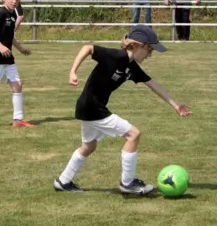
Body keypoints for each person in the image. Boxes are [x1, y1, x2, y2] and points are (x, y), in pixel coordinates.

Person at [53, 25, 191, 194]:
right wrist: (72, 72)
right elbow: (87, 48)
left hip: (88, 107)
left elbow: (152, 84)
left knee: (88, 147)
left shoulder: (132, 67)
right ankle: (128, 183)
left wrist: (176, 105)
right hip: (92, 107)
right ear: (138, 45)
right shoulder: (115, 55)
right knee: (134, 134)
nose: (150, 54)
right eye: (149, 49)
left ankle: (63, 181)